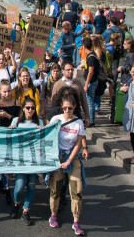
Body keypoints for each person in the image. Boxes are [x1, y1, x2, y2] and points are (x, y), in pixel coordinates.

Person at [47, 94, 87, 233]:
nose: (67, 111)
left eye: (70, 108)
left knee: (76, 190)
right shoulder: (56, 119)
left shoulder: (79, 123)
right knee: (55, 188)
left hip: (72, 158)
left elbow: (78, 144)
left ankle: (76, 221)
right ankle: (53, 215)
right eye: (64, 108)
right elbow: (47, 136)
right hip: (58, 157)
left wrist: (69, 160)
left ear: (74, 107)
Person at [9, 96, 42, 226]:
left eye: (33, 108)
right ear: (23, 108)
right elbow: (10, 138)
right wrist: (11, 129)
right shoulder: (17, 121)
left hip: (33, 160)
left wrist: (41, 130)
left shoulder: (38, 121)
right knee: (19, 186)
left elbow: (44, 139)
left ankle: (26, 210)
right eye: (28, 108)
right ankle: (17, 203)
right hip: (20, 160)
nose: (30, 110)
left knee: (31, 186)